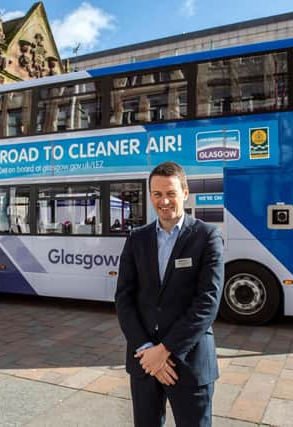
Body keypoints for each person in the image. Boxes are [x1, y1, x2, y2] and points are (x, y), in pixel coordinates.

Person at [115, 161, 224, 427]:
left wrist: (165, 351)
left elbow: (207, 303)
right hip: (145, 363)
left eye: (171, 193)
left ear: (185, 193)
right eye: (157, 194)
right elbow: (124, 298)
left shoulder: (207, 236)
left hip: (189, 364)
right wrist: (146, 349)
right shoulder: (136, 238)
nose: (164, 201)